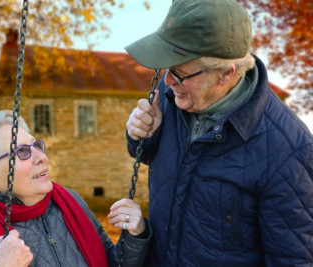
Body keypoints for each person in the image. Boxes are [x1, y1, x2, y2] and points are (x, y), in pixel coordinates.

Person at [125, 0, 313, 266]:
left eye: (179, 74)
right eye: (167, 69)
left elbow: (294, 259)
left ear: (226, 74)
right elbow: (155, 158)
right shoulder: (173, 97)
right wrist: (141, 136)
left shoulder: (289, 151)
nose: (167, 81)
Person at [0, 110, 152, 267]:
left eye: (37, 146)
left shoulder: (70, 202)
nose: (41, 157)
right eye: (22, 152)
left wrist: (135, 234)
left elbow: (112, 263)